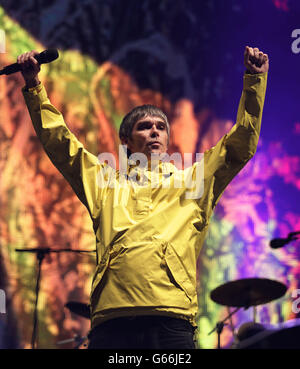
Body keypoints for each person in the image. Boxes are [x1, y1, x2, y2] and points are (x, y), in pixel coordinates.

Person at [18, 46, 268, 349]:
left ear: (167, 138)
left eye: (161, 127)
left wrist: (254, 81)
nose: (154, 132)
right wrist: (34, 88)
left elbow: (238, 146)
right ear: (126, 140)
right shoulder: (104, 182)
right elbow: (61, 144)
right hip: (112, 321)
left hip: (171, 319)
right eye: (144, 126)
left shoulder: (193, 182)